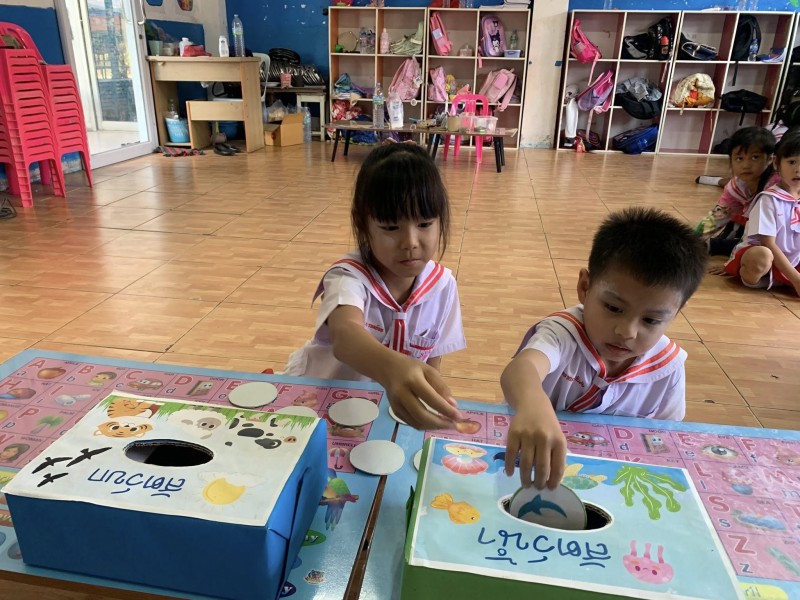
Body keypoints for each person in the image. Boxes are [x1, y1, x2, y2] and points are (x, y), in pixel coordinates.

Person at [501, 207, 707, 490]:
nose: (627, 331)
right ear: (585, 287)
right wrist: (532, 402)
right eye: (613, 308)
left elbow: (665, 438)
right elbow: (521, 369)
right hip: (530, 469)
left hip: (612, 482)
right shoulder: (562, 334)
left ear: (676, 312)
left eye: (651, 320)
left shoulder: (667, 367)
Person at [284, 143, 465, 430]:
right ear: (363, 225)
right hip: (321, 398)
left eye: (424, 223)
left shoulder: (443, 286)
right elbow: (346, 335)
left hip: (383, 408)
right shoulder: (348, 277)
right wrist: (392, 368)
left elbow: (433, 361)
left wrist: (432, 402)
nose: (410, 242)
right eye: (391, 227)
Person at [721, 129, 800, 295]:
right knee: (762, 255)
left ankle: (781, 280)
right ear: (776, 162)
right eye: (792, 162)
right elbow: (768, 243)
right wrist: (796, 279)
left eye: (755, 157)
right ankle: (763, 279)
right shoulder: (769, 199)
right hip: (765, 256)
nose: (798, 169)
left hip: (793, 260)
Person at [695, 127, 776, 257]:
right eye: (739, 158)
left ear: (771, 159)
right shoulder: (736, 186)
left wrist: (734, 262)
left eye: (755, 157)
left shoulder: (777, 187)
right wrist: (688, 241)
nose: (746, 165)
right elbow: (716, 218)